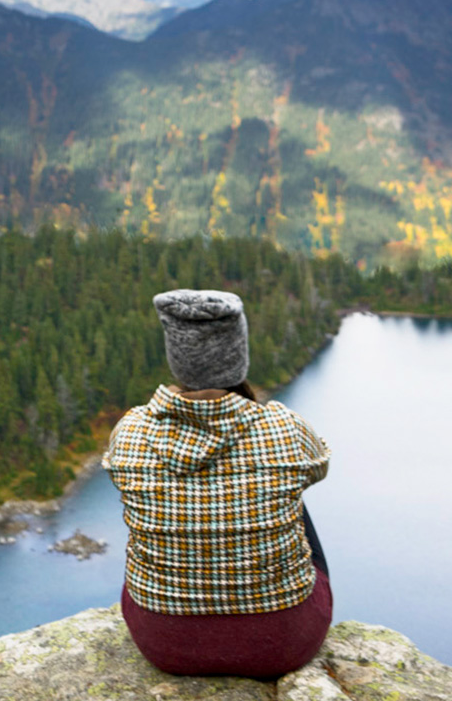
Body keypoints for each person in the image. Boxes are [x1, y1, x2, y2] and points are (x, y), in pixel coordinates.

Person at [103, 289, 332, 679]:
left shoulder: (130, 431)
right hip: (281, 642)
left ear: (176, 359)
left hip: (166, 643)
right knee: (294, 497)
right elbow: (319, 464)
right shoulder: (285, 428)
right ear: (237, 355)